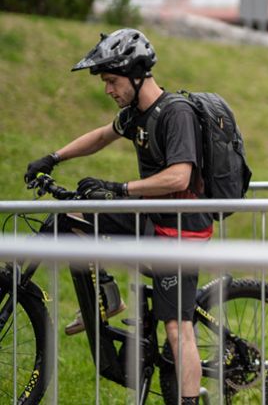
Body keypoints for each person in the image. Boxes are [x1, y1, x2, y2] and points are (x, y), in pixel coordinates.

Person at [24, 28, 210, 405]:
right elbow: (100, 137)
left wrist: (120, 189)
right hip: (151, 219)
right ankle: (108, 296)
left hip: (179, 233)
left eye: (112, 80)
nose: (108, 89)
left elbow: (180, 176)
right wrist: (54, 157)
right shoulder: (136, 116)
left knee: (177, 329)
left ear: (137, 74)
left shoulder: (175, 113)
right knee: (73, 212)